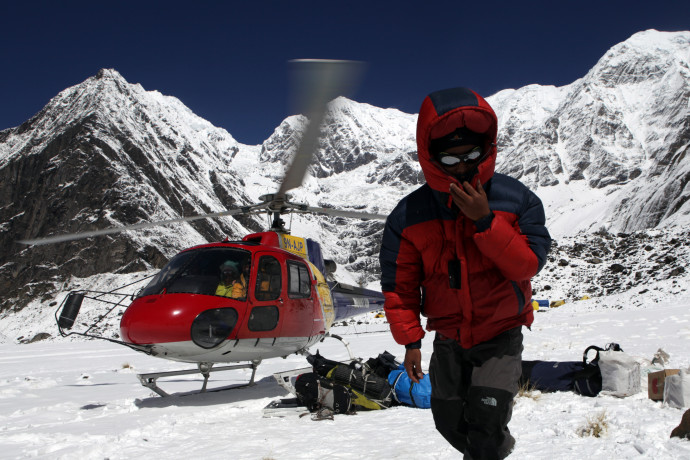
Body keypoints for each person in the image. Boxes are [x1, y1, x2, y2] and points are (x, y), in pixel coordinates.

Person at [380, 87, 551, 459]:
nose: (461, 166)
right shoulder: (408, 216)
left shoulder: (516, 200)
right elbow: (400, 286)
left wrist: (485, 221)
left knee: (486, 426)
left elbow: (528, 264)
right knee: (446, 418)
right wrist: (410, 342)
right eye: (449, 158)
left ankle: (488, 450)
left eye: (471, 155)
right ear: (431, 157)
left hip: (500, 333)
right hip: (448, 337)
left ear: (486, 149)